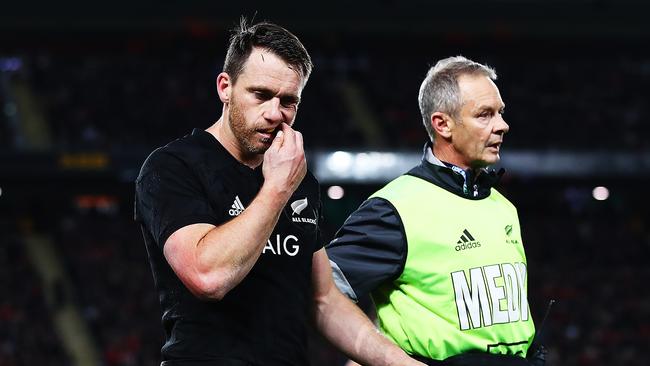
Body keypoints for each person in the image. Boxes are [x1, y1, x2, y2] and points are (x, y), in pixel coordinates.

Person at [134, 18, 423, 366]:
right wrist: (277, 187)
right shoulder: (173, 167)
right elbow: (208, 277)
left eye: (289, 101)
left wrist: (402, 363)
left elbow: (324, 301)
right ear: (225, 87)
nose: (275, 113)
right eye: (261, 95)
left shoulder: (300, 181)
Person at [327, 56, 545, 366]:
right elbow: (320, 293)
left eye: (500, 113)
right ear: (442, 124)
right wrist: (385, 358)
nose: (502, 125)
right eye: (485, 115)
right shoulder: (395, 207)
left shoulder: (503, 206)